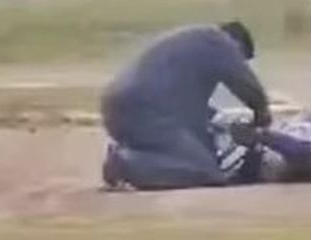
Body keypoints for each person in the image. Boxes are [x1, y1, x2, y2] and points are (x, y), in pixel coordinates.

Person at [100, 21, 272, 191]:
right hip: (144, 107)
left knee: (190, 157)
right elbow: (245, 83)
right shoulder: (218, 41)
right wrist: (261, 113)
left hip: (119, 105)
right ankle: (128, 165)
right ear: (237, 45)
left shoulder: (191, 46)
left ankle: (131, 156)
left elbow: (195, 121)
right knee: (205, 172)